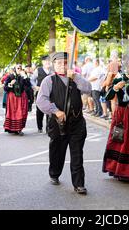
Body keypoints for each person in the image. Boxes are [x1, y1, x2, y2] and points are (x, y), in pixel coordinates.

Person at [36, 52, 92, 195]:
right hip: (58, 124)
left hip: (77, 123)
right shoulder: (49, 81)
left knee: (77, 154)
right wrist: (55, 111)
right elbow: (41, 101)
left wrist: (76, 77)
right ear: (54, 65)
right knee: (57, 152)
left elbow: (88, 89)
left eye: (65, 63)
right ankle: (54, 173)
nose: (63, 66)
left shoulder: (75, 78)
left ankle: (79, 184)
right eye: (59, 63)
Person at [3, 64, 32, 135]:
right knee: (12, 113)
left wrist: (25, 76)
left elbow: (28, 85)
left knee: (22, 112)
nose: (19, 69)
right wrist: (10, 84)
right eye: (18, 68)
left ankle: (19, 129)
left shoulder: (24, 77)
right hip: (12, 98)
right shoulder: (10, 76)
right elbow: (5, 88)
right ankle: (12, 129)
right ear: (15, 69)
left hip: (22, 97)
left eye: (20, 68)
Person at [31, 55, 53, 133]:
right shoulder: (38, 70)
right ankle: (40, 127)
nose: (48, 62)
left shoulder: (52, 71)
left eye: (49, 61)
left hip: (51, 93)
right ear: (43, 62)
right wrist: (35, 86)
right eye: (46, 61)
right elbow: (32, 79)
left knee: (50, 110)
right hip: (40, 93)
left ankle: (48, 128)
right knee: (39, 110)